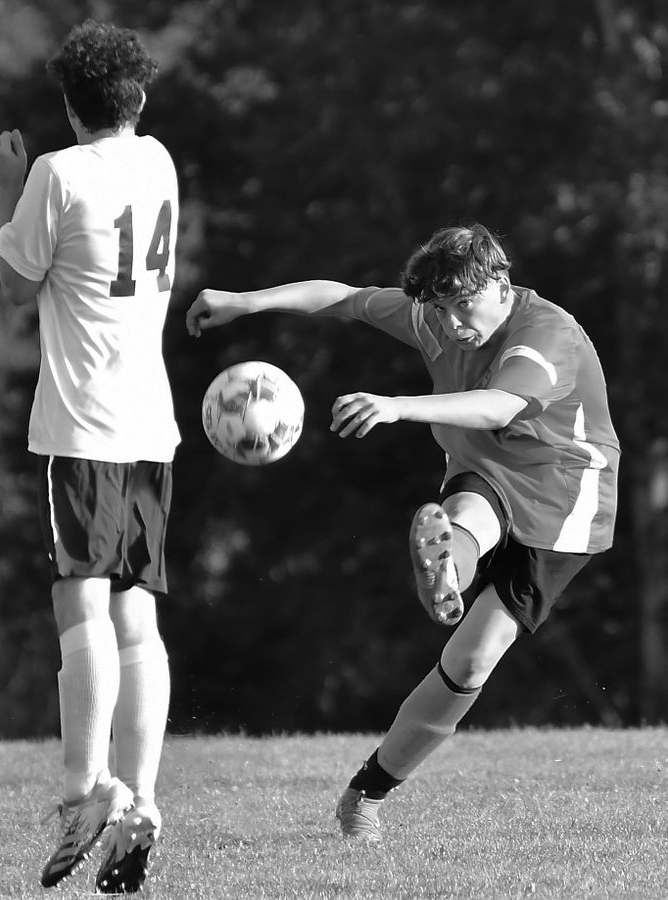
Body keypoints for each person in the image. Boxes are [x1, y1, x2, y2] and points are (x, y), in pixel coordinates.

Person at [185, 223, 620, 841]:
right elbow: (343, 298)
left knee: (470, 664)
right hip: (483, 470)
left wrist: (397, 405)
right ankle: (450, 564)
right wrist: (248, 302)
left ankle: (368, 789)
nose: (450, 325)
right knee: (472, 510)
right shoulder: (437, 316)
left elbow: (499, 405)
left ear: (500, 283)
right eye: (439, 310)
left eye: (462, 306)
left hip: (565, 494)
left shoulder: (544, 333)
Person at [0, 20, 179, 890]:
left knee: (79, 603)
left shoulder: (57, 175)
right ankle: (139, 795)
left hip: (84, 423)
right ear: (137, 98)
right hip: (152, 423)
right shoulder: (161, 161)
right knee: (137, 616)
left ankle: (83, 792)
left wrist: (5, 186)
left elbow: (17, 287)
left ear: (70, 105)